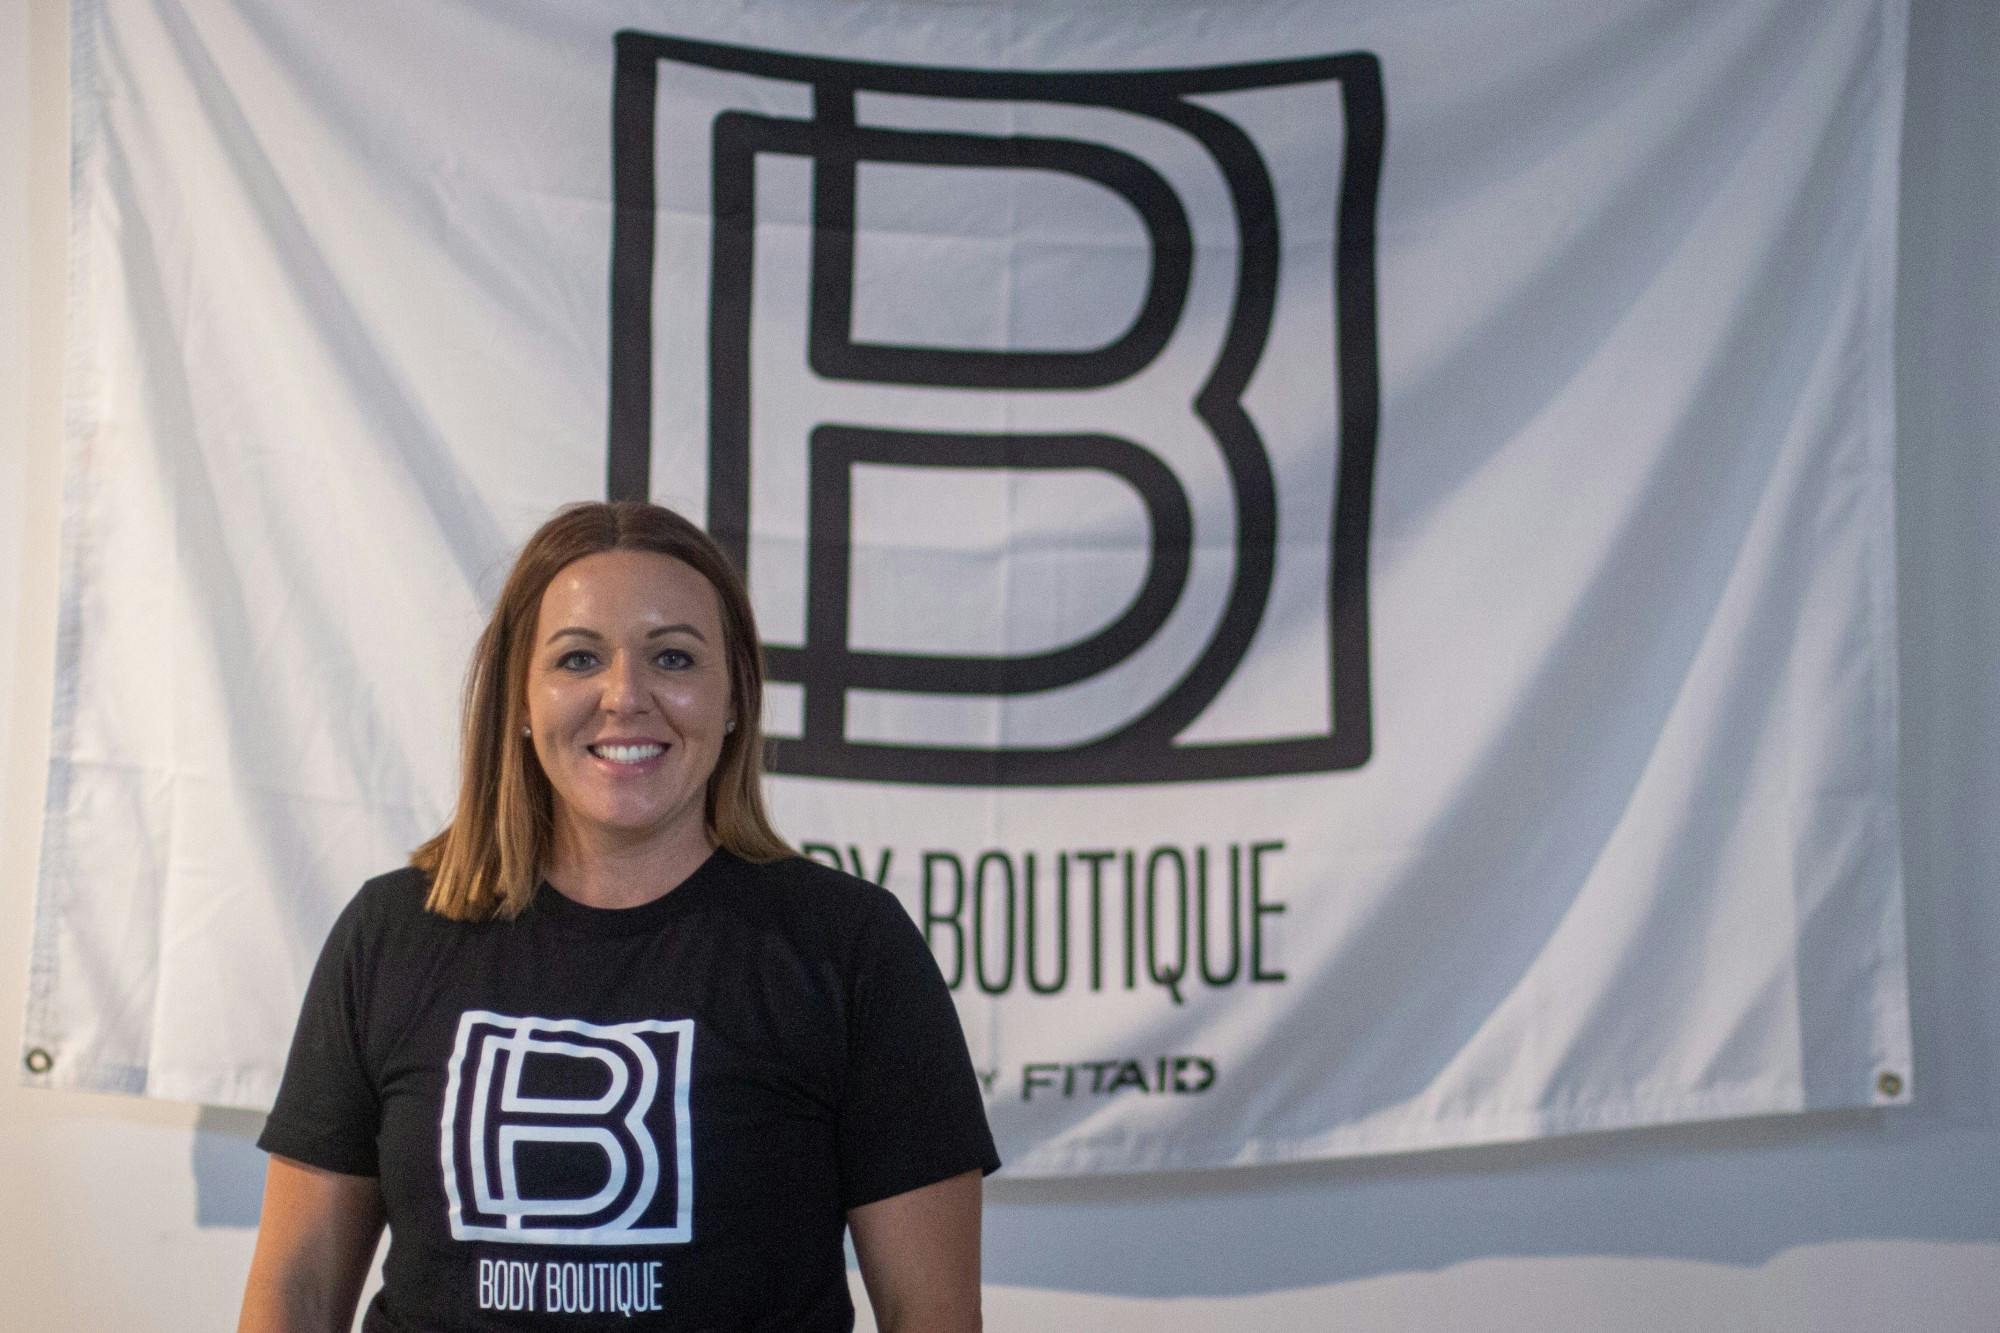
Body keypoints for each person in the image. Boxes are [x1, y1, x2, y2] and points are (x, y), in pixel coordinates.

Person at [238, 501, 998, 1332]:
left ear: (736, 696)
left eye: (673, 656)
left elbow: (932, 1314)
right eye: (578, 658)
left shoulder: (850, 947)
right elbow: (296, 1292)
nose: (625, 696)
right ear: (520, 701)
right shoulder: (391, 934)